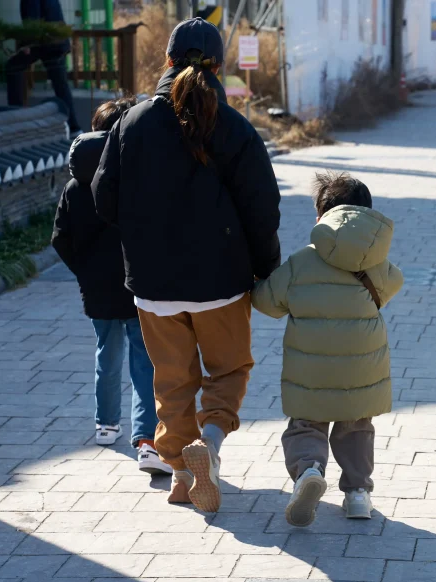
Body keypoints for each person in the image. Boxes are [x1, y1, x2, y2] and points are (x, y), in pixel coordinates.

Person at [91, 18, 281, 511]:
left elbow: (103, 198)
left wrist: (141, 237)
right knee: (229, 370)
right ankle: (210, 445)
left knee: (172, 383)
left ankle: (179, 474)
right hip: (221, 284)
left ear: (168, 60)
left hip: (153, 287)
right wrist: (265, 269)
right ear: (218, 66)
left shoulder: (130, 123)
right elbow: (262, 208)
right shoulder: (235, 128)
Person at [252, 172, 404, 527]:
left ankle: (308, 472)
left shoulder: (302, 261)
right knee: (356, 426)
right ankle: (357, 495)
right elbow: (394, 283)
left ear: (321, 216)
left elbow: (266, 302)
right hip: (362, 367)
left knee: (306, 424)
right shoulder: (376, 261)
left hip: (310, 369)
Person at [51, 97, 166, 475]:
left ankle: (105, 424)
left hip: (96, 288)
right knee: (143, 360)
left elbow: (60, 239)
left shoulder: (73, 187)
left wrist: (83, 271)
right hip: (136, 283)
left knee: (105, 352)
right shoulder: (134, 180)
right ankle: (146, 438)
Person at [6, 0, 81, 132]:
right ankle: (74, 127)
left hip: (43, 42)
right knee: (61, 85)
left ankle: (14, 116)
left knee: (13, 67)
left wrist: (27, 44)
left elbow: (32, 19)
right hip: (58, 42)